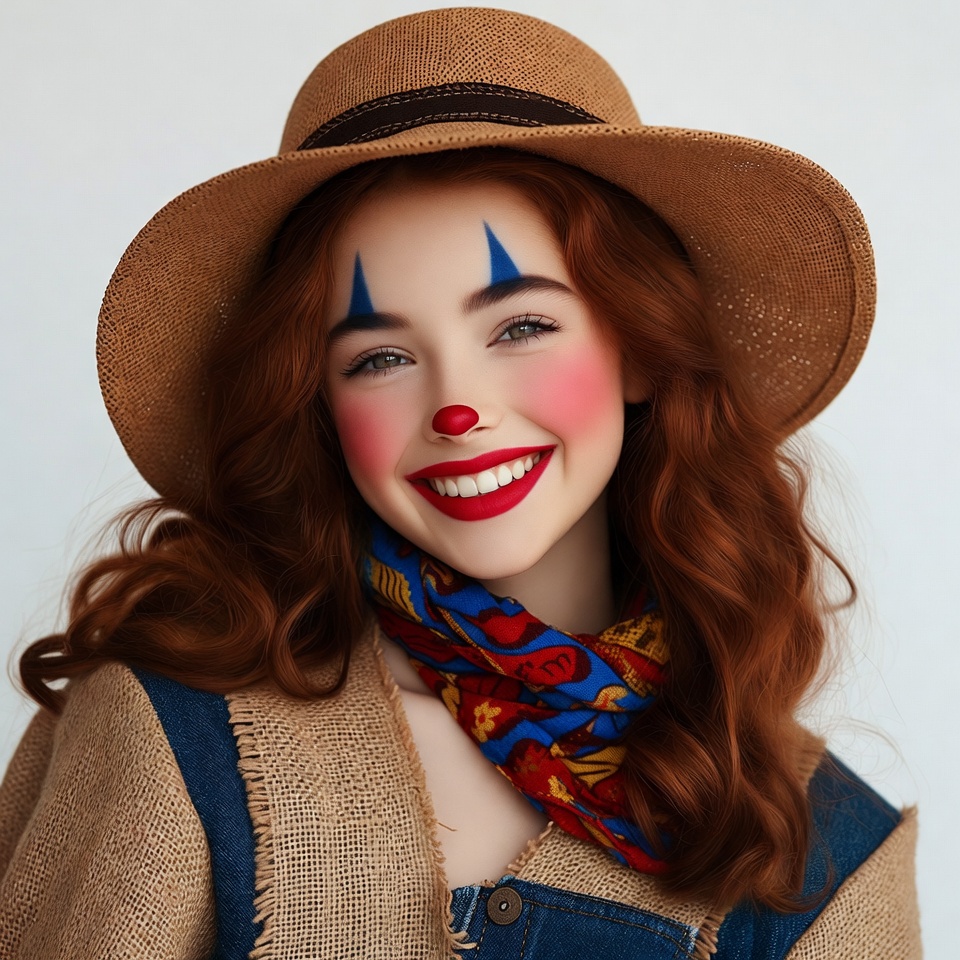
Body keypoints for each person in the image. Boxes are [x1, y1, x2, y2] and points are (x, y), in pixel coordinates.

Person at [0, 8, 920, 959]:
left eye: (521, 327)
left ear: (642, 349)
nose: (456, 409)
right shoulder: (173, 731)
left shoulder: (829, 857)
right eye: (380, 357)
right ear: (316, 402)